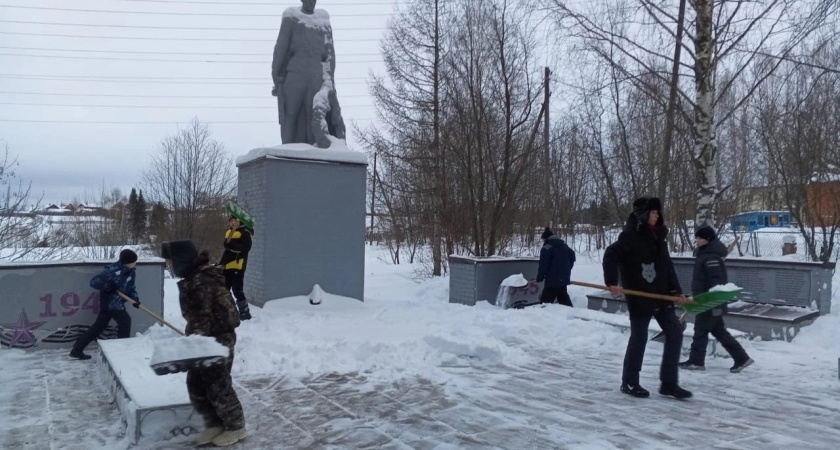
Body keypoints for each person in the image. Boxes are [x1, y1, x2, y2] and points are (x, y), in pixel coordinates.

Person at [603, 197, 693, 399]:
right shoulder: (629, 236)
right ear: (643, 214)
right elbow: (611, 255)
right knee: (639, 336)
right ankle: (629, 382)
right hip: (639, 295)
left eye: (657, 212)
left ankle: (669, 383)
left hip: (661, 295)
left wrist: (676, 291)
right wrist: (612, 282)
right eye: (653, 213)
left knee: (675, 332)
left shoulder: (658, 237)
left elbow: (667, 267)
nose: (657, 215)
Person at [162, 240, 247, 447]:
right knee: (197, 383)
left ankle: (236, 427)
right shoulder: (195, 278)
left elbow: (202, 317)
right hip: (207, 336)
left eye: (173, 261)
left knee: (218, 384)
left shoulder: (201, 281)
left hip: (218, 337)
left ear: (182, 260)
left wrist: (193, 343)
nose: (171, 266)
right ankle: (215, 423)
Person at [680, 226, 754, 373]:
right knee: (719, 332)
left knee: (701, 331)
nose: (697, 241)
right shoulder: (707, 255)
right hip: (706, 300)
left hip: (710, 302)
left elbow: (716, 281)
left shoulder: (711, 258)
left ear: (707, 239)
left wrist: (708, 299)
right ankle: (742, 358)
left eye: (699, 238)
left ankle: (696, 361)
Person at [271, 0, 346, 147]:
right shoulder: (291, 17)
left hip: (315, 77)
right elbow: (281, 47)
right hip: (296, 74)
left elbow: (330, 54)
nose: (311, 2)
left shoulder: (323, 20)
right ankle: (287, 152)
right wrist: (276, 72)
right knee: (291, 117)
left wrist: (329, 80)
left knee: (311, 120)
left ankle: (308, 156)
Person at [70, 249, 140, 360]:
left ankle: (76, 350)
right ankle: (122, 352)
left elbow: (131, 288)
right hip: (111, 304)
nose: (135, 263)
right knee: (125, 322)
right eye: (133, 261)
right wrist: (109, 287)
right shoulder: (113, 271)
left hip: (116, 304)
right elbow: (94, 282)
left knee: (98, 328)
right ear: (127, 262)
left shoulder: (131, 272)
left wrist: (135, 300)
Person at [219, 216, 253, 320]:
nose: (233, 223)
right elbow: (227, 251)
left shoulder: (245, 232)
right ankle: (227, 311)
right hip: (227, 265)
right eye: (231, 221)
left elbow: (246, 248)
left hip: (238, 265)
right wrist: (221, 263)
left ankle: (244, 312)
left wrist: (231, 246)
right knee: (224, 290)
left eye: (235, 221)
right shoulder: (228, 232)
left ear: (240, 222)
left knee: (237, 290)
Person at [535, 227, 576, 306]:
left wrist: (540, 277)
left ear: (546, 239)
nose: (542, 242)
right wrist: (567, 268)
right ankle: (571, 314)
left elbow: (543, 265)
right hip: (564, 278)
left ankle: (542, 316)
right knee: (563, 299)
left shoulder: (546, 248)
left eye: (543, 240)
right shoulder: (564, 245)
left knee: (545, 303)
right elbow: (572, 257)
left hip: (552, 280)